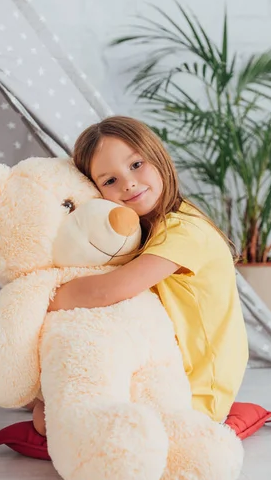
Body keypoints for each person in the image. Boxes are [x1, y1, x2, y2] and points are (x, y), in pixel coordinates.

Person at [31, 116, 248, 435]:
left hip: (196, 394)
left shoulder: (185, 231)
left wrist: (42, 298)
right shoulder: (146, 227)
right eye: (109, 181)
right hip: (164, 369)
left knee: (45, 417)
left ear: (158, 156)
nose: (128, 183)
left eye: (136, 165)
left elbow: (110, 290)